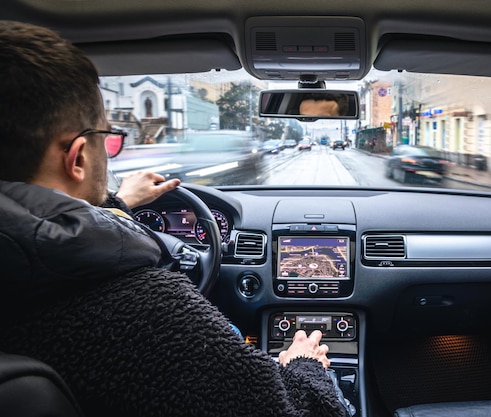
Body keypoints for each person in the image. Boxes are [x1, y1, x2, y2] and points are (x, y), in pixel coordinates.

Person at [0, 20, 349, 417]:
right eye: (108, 138)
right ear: (78, 156)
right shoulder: (152, 317)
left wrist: (115, 207)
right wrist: (304, 365)